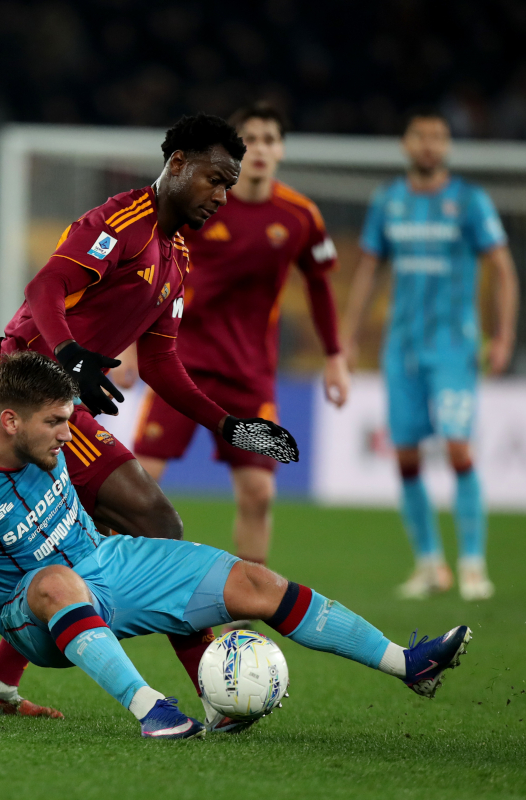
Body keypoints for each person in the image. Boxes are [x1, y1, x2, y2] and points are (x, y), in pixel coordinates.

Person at [0, 352, 473, 739]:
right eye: (53, 425)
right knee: (51, 583)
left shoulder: (42, 422)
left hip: (109, 565)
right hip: (29, 611)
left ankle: (403, 661)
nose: (66, 435)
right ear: (7, 422)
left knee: (255, 582)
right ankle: (152, 712)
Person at [0, 114, 301, 731]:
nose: (222, 196)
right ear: (177, 166)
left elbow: (164, 362)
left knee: (74, 543)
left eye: (229, 185)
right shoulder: (121, 222)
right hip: (22, 392)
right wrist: (69, 356)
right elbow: (45, 287)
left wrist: (229, 426)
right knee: (155, 520)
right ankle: (215, 691)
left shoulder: (175, 254)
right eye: (215, 180)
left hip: (66, 396)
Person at [122, 101, 348, 585]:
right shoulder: (200, 203)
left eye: (271, 139)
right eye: (254, 140)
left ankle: (244, 612)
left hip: (249, 373)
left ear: (282, 148)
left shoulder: (299, 216)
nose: (263, 149)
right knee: (138, 481)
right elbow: (149, 271)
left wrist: (334, 356)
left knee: (258, 494)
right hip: (180, 362)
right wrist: (128, 343)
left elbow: (320, 284)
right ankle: (109, 580)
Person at [339, 107, 519, 602]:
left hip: (455, 348)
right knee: (407, 456)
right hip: (402, 349)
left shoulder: (468, 202)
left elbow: (503, 268)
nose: (430, 145)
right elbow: (368, 271)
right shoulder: (388, 201)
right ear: (406, 143)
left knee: (459, 448)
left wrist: (502, 336)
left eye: (439, 137)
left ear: (447, 146)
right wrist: (346, 338)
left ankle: (473, 565)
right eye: (421, 136)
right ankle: (430, 565)